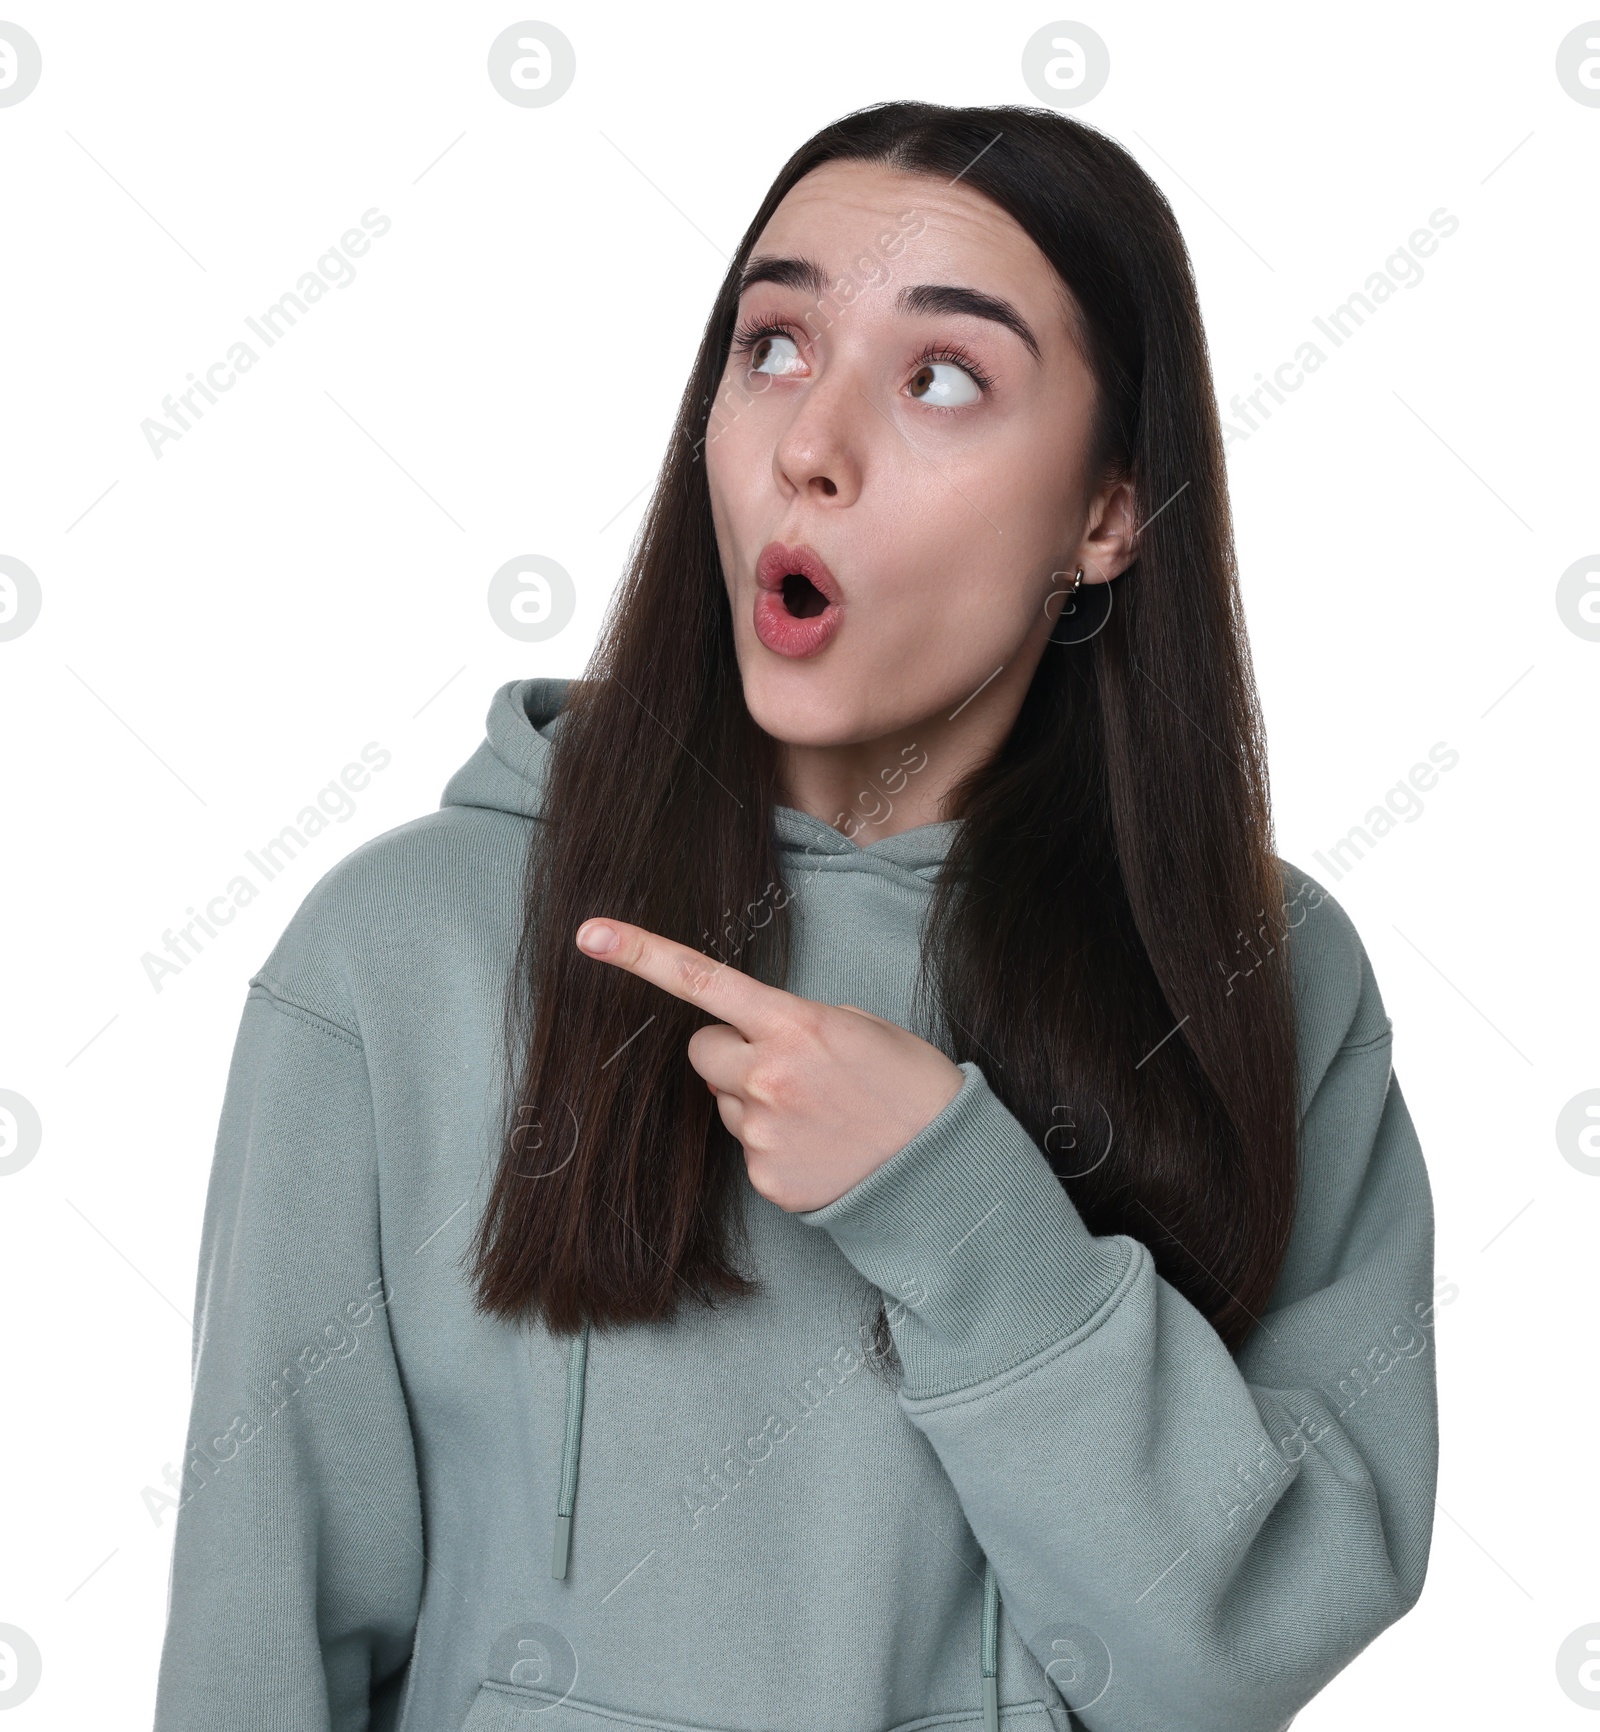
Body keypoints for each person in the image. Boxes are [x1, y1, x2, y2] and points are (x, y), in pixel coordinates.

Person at [152, 100, 1438, 1732]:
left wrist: (968, 1216)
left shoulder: (1264, 974)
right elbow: (258, 1651)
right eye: (772, 346)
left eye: (944, 379)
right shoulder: (399, 952)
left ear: (1109, 513)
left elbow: (1240, 1660)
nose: (808, 444)